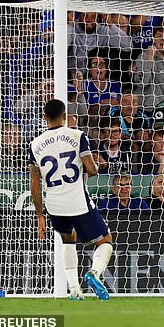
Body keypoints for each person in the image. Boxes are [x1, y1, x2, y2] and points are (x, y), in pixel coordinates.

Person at [29, 99, 112, 301]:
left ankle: (74, 290)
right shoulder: (77, 136)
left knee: (68, 240)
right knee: (105, 241)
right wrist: (91, 168)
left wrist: (40, 216)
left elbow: (35, 183)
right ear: (65, 116)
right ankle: (94, 273)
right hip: (77, 201)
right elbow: (92, 169)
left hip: (54, 205)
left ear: (44, 118)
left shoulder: (34, 144)